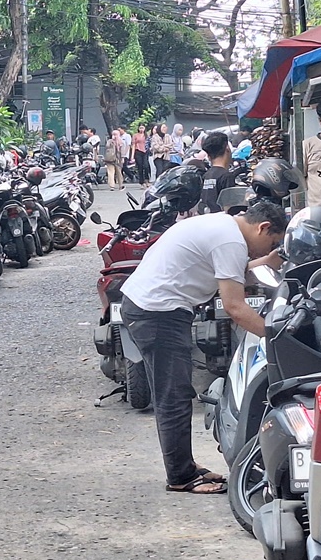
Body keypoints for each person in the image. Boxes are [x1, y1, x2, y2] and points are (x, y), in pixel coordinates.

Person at [120, 201, 288, 494]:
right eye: (270, 243)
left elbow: (232, 273)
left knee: (175, 393)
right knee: (173, 396)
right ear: (262, 228)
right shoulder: (231, 241)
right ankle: (180, 476)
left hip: (150, 306)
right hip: (158, 312)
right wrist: (278, 338)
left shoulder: (223, 226)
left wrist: (266, 263)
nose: (265, 250)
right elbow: (235, 307)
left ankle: (184, 464)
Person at [198, 131, 235, 214]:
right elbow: (228, 208)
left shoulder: (206, 175)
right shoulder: (226, 176)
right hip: (220, 223)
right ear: (227, 149)